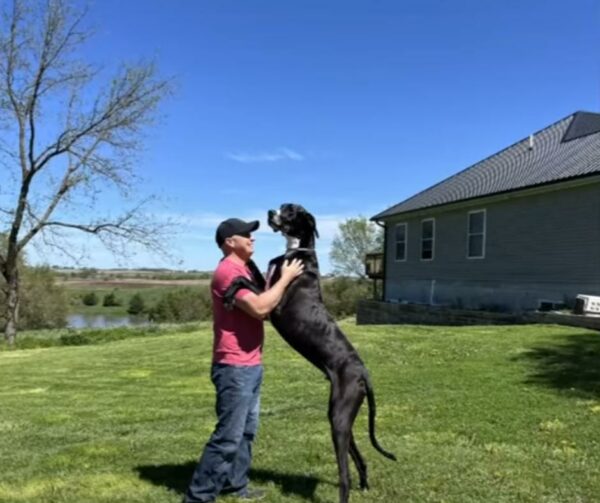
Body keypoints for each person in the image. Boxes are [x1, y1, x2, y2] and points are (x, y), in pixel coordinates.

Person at [183, 218, 304, 503]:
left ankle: (236, 485)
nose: (252, 238)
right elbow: (262, 305)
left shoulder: (245, 270)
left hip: (251, 363)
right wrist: (286, 278)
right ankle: (198, 497)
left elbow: (261, 311)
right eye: (246, 235)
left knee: (246, 432)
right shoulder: (227, 272)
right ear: (229, 242)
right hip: (233, 366)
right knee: (228, 437)